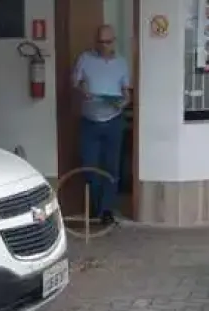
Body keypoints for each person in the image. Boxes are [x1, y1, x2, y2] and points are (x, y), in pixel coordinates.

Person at [73, 24, 131, 225]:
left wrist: (123, 103)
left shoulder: (121, 63)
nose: (103, 45)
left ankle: (106, 211)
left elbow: (127, 94)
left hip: (113, 120)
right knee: (90, 167)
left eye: (107, 42)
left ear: (114, 41)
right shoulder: (85, 59)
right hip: (90, 121)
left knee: (111, 168)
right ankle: (97, 207)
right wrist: (83, 90)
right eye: (100, 41)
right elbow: (75, 82)